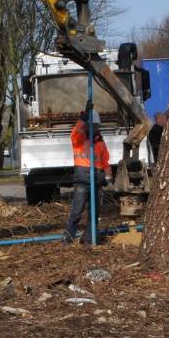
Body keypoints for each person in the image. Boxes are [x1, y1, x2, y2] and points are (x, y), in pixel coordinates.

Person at [65, 104, 111, 244]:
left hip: (96, 181)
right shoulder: (79, 141)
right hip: (83, 181)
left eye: (96, 126)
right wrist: (83, 117)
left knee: (94, 213)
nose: (95, 128)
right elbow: (77, 130)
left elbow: (105, 161)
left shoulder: (100, 143)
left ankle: (89, 239)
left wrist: (108, 177)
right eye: (93, 125)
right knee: (77, 211)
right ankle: (68, 238)